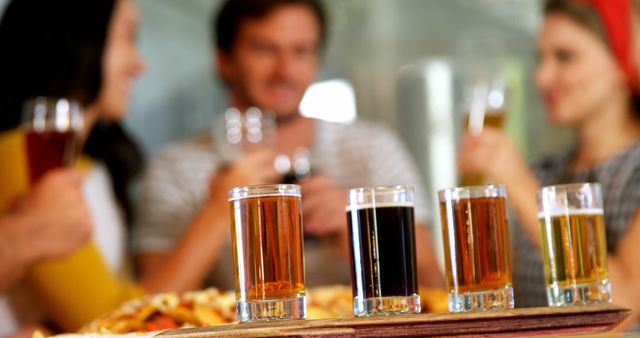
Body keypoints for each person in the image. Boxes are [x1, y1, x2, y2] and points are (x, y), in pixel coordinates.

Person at [133, 0, 444, 293]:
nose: (285, 70)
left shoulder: (373, 150)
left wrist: (360, 234)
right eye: (265, 49)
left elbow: (436, 291)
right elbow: (145, 312)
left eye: (301, 51)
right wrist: (216, 213)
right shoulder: (175, 166)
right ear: (224, 60)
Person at [458, 0, 640, 327]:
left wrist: (520, 185)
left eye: (565, 57)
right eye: (540, 59)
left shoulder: (529, 180)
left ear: (621, 60)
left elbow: (623, 309)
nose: (542, 77)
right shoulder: (544, 171)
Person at [0, 0, 145, 334]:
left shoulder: (92, 166)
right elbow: (115, 322)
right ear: (81, 43)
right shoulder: (24, 156)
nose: (140, 64)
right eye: (127, 37)